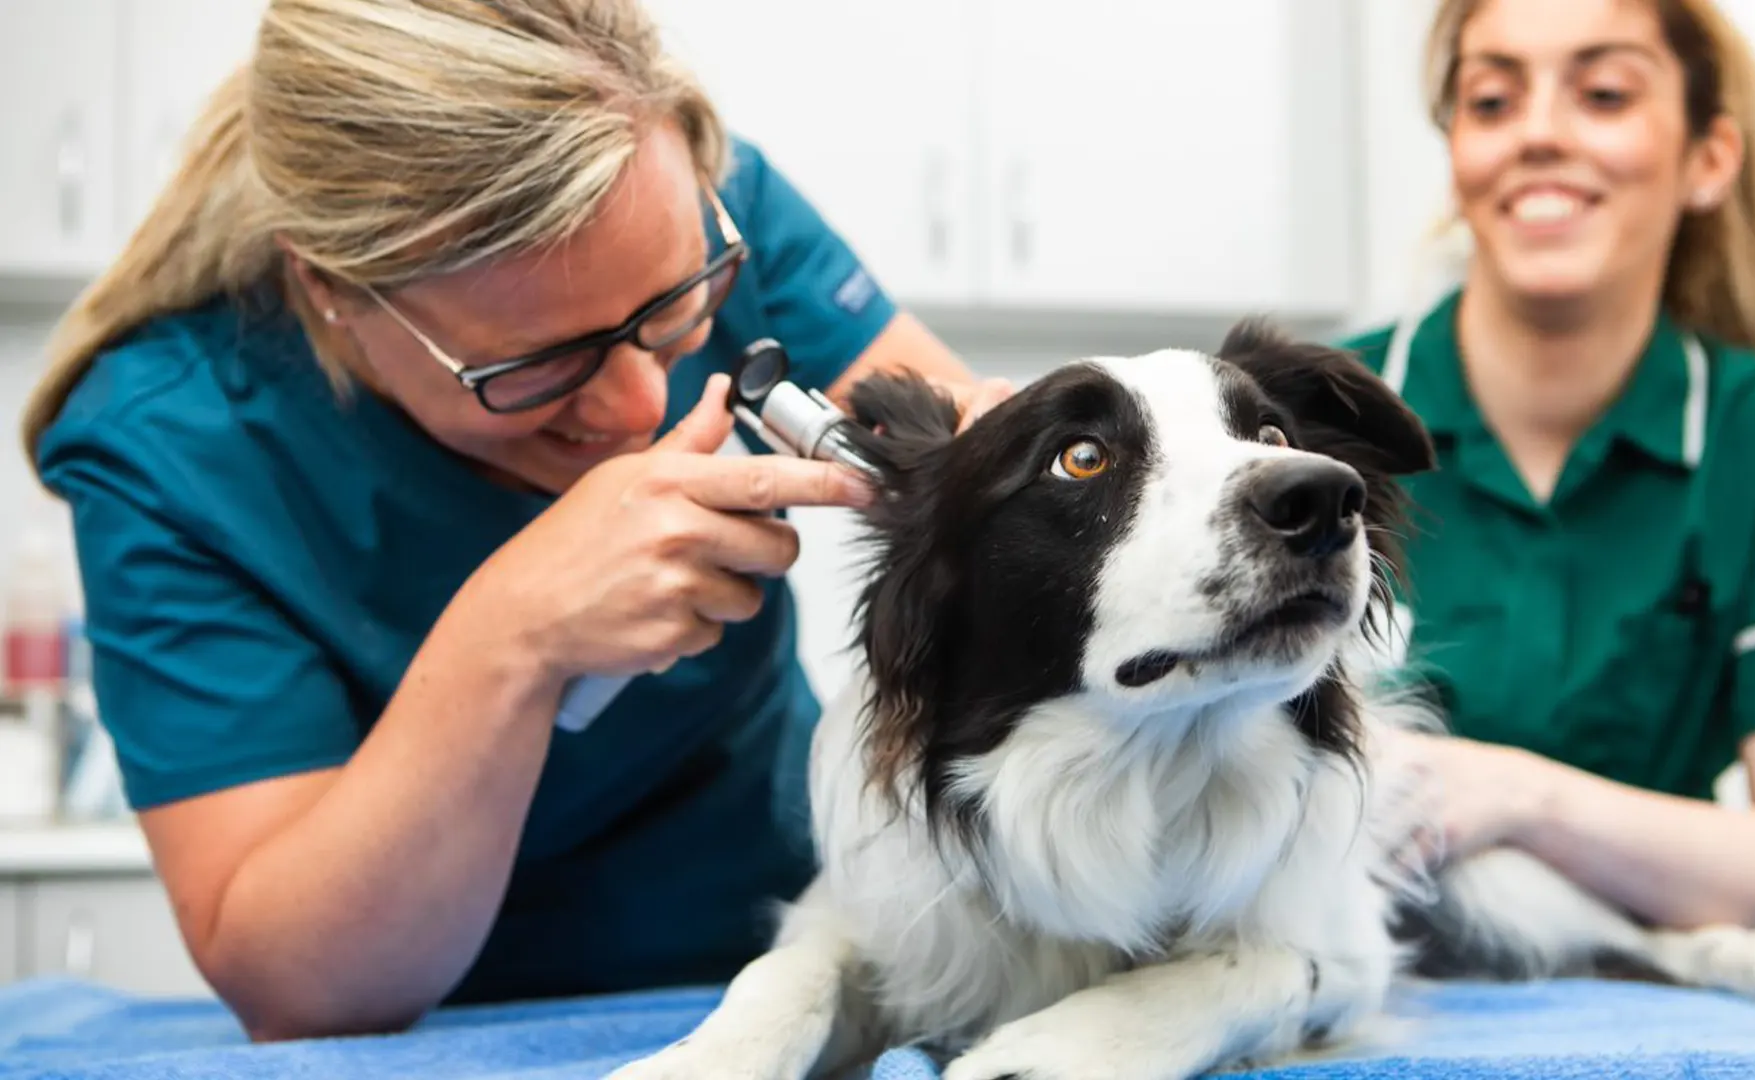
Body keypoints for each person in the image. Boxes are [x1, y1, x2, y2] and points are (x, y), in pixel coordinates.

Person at [19, 0, 1011, 1043]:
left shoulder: (704, 201)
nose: (638, 406)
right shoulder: (171, 442)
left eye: (676, 309)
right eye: (534, 365)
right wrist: (516, 636)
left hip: (810, 936)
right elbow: (299, 985)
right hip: (447, 1026)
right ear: (331, 289)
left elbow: (976, 490)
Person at [1343, 0, 1755, 953]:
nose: (1537, 134)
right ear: (1457, 153)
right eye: (1492, 101)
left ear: (1709, 160)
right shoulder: (1314, 424)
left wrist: (1518, 796)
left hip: (1653, 992)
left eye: (1603, 94)